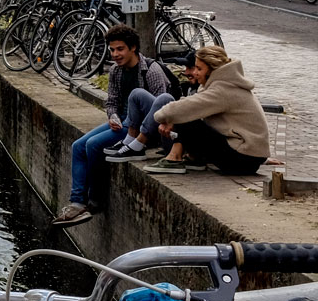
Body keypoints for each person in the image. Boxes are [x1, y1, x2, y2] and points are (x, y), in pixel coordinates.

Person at [52, 25, 171, 227]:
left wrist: (143, 133)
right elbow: (112, 101)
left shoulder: (151, 70)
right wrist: (112, 116)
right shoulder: (116, 71)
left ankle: (95, 200)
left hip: (140, 130)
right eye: (112, 50)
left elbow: (160, 107)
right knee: (78, 146)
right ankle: (77, 202)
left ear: (133, 48)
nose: (115, 54)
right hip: (122, 123)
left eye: (120, 49)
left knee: (93, 145)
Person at [144, 46, 270, 176]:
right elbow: (192, 102)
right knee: (186, 113)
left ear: (212, 69)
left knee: (186, 116)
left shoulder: (222, 89)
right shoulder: (225, 83)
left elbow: (185, 108)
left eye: (199, 69)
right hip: (247, 157)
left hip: (242, 159)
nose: (195, 73)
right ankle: (194, 159)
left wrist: (161, 117)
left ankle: (174, 158)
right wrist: (170, 118)